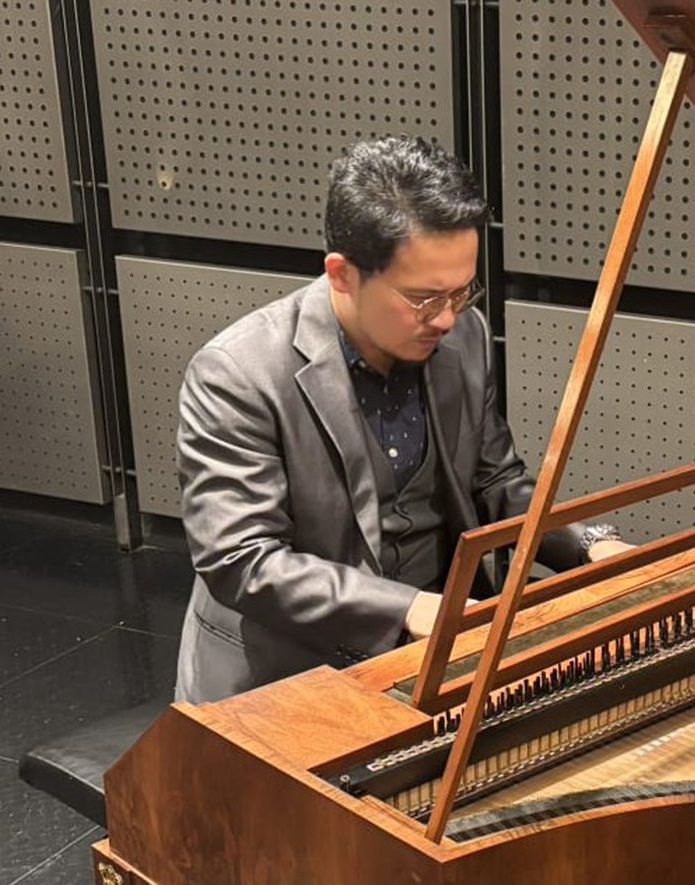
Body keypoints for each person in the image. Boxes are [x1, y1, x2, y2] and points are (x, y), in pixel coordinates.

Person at [173, 135, 626, 705]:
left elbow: (495, 480)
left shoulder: (465, 334)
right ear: (342, 274)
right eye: (422, 298)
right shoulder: (239, 373)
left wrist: (592, 544)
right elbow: (243, 561)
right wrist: (410, 607)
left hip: (431, 647)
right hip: (286, 671)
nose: (446, 318)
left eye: (462, 292)